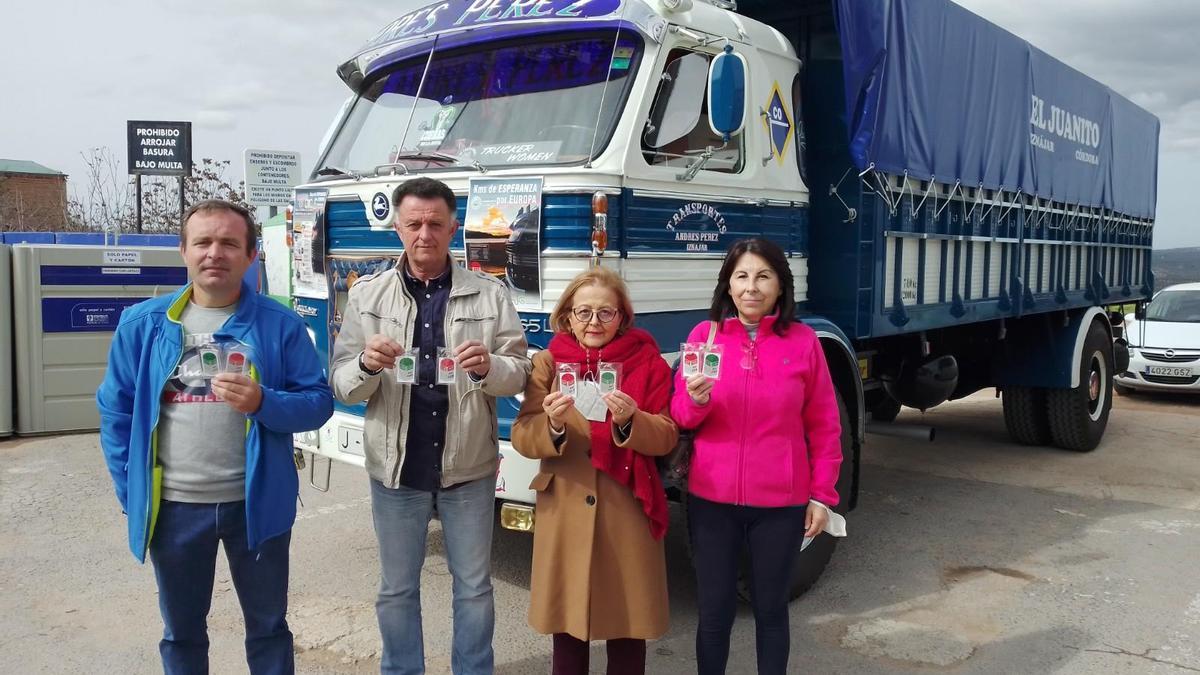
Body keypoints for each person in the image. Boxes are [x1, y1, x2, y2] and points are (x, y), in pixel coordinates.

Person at [97, 199, 334, 675]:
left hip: (256, 506)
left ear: (250, 256)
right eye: (202, 241)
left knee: (268, 628)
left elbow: (318, 403)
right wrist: (133, 490)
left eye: (229, 242)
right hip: (176, 510)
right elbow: (115, 411)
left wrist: (263, 402)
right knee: (182, 633)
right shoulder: (143, 325)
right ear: (183, 250)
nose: (214, 253)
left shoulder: (279, 324)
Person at [329, 177, 531, 675]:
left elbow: (519, 373)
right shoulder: (367, 297)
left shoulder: (490, 295)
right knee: (397, 589)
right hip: (397, 470)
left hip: (469, 469)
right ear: (397, 227)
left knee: (475, 588)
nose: (425, 233)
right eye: (414, 223)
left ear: (453, 228)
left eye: (435, 223)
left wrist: (489, 369)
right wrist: (367, 366)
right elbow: (341, 384)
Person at [669, 238, 843, 675]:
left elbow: (824, 424)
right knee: (714, 613)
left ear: (781, 287)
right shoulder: (703, 337)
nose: (752, 287)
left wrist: (821, 495)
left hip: (780, 504)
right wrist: (696, 400)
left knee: (770, 611)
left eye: (763, 276)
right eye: (742, 276)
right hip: (711, 499)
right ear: (727, 286)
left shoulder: (803, 342)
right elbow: (681, 417)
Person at [511, 266, 677, 675]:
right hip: (566, 507)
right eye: (583, 312)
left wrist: (630, 421)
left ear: (623, 316)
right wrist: (550, 426)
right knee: (567, 633)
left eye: (606, 313)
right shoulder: (547, 364)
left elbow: (668, 435)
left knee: (627, 630)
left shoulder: (648, 362)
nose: (594, 323)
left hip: (627, 509)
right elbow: (522, 434)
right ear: (566, 315)